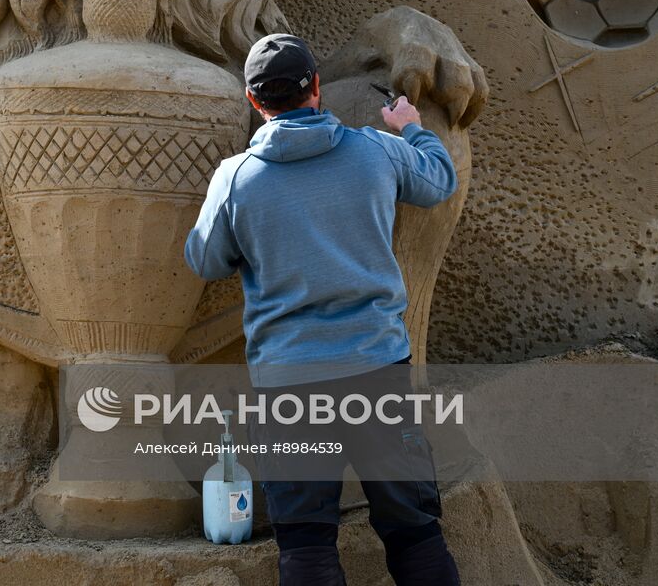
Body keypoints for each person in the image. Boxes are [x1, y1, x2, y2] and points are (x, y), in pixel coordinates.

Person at [184, 33, 462, 586]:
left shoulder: (236, 178)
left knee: (307, 544)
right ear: (316, 87)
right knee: (414, 531)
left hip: (289, 386)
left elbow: (205, 261)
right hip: (378, 373)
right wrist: (410, 125)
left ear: (253, 100)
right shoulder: (376, 151)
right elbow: (440, 181)